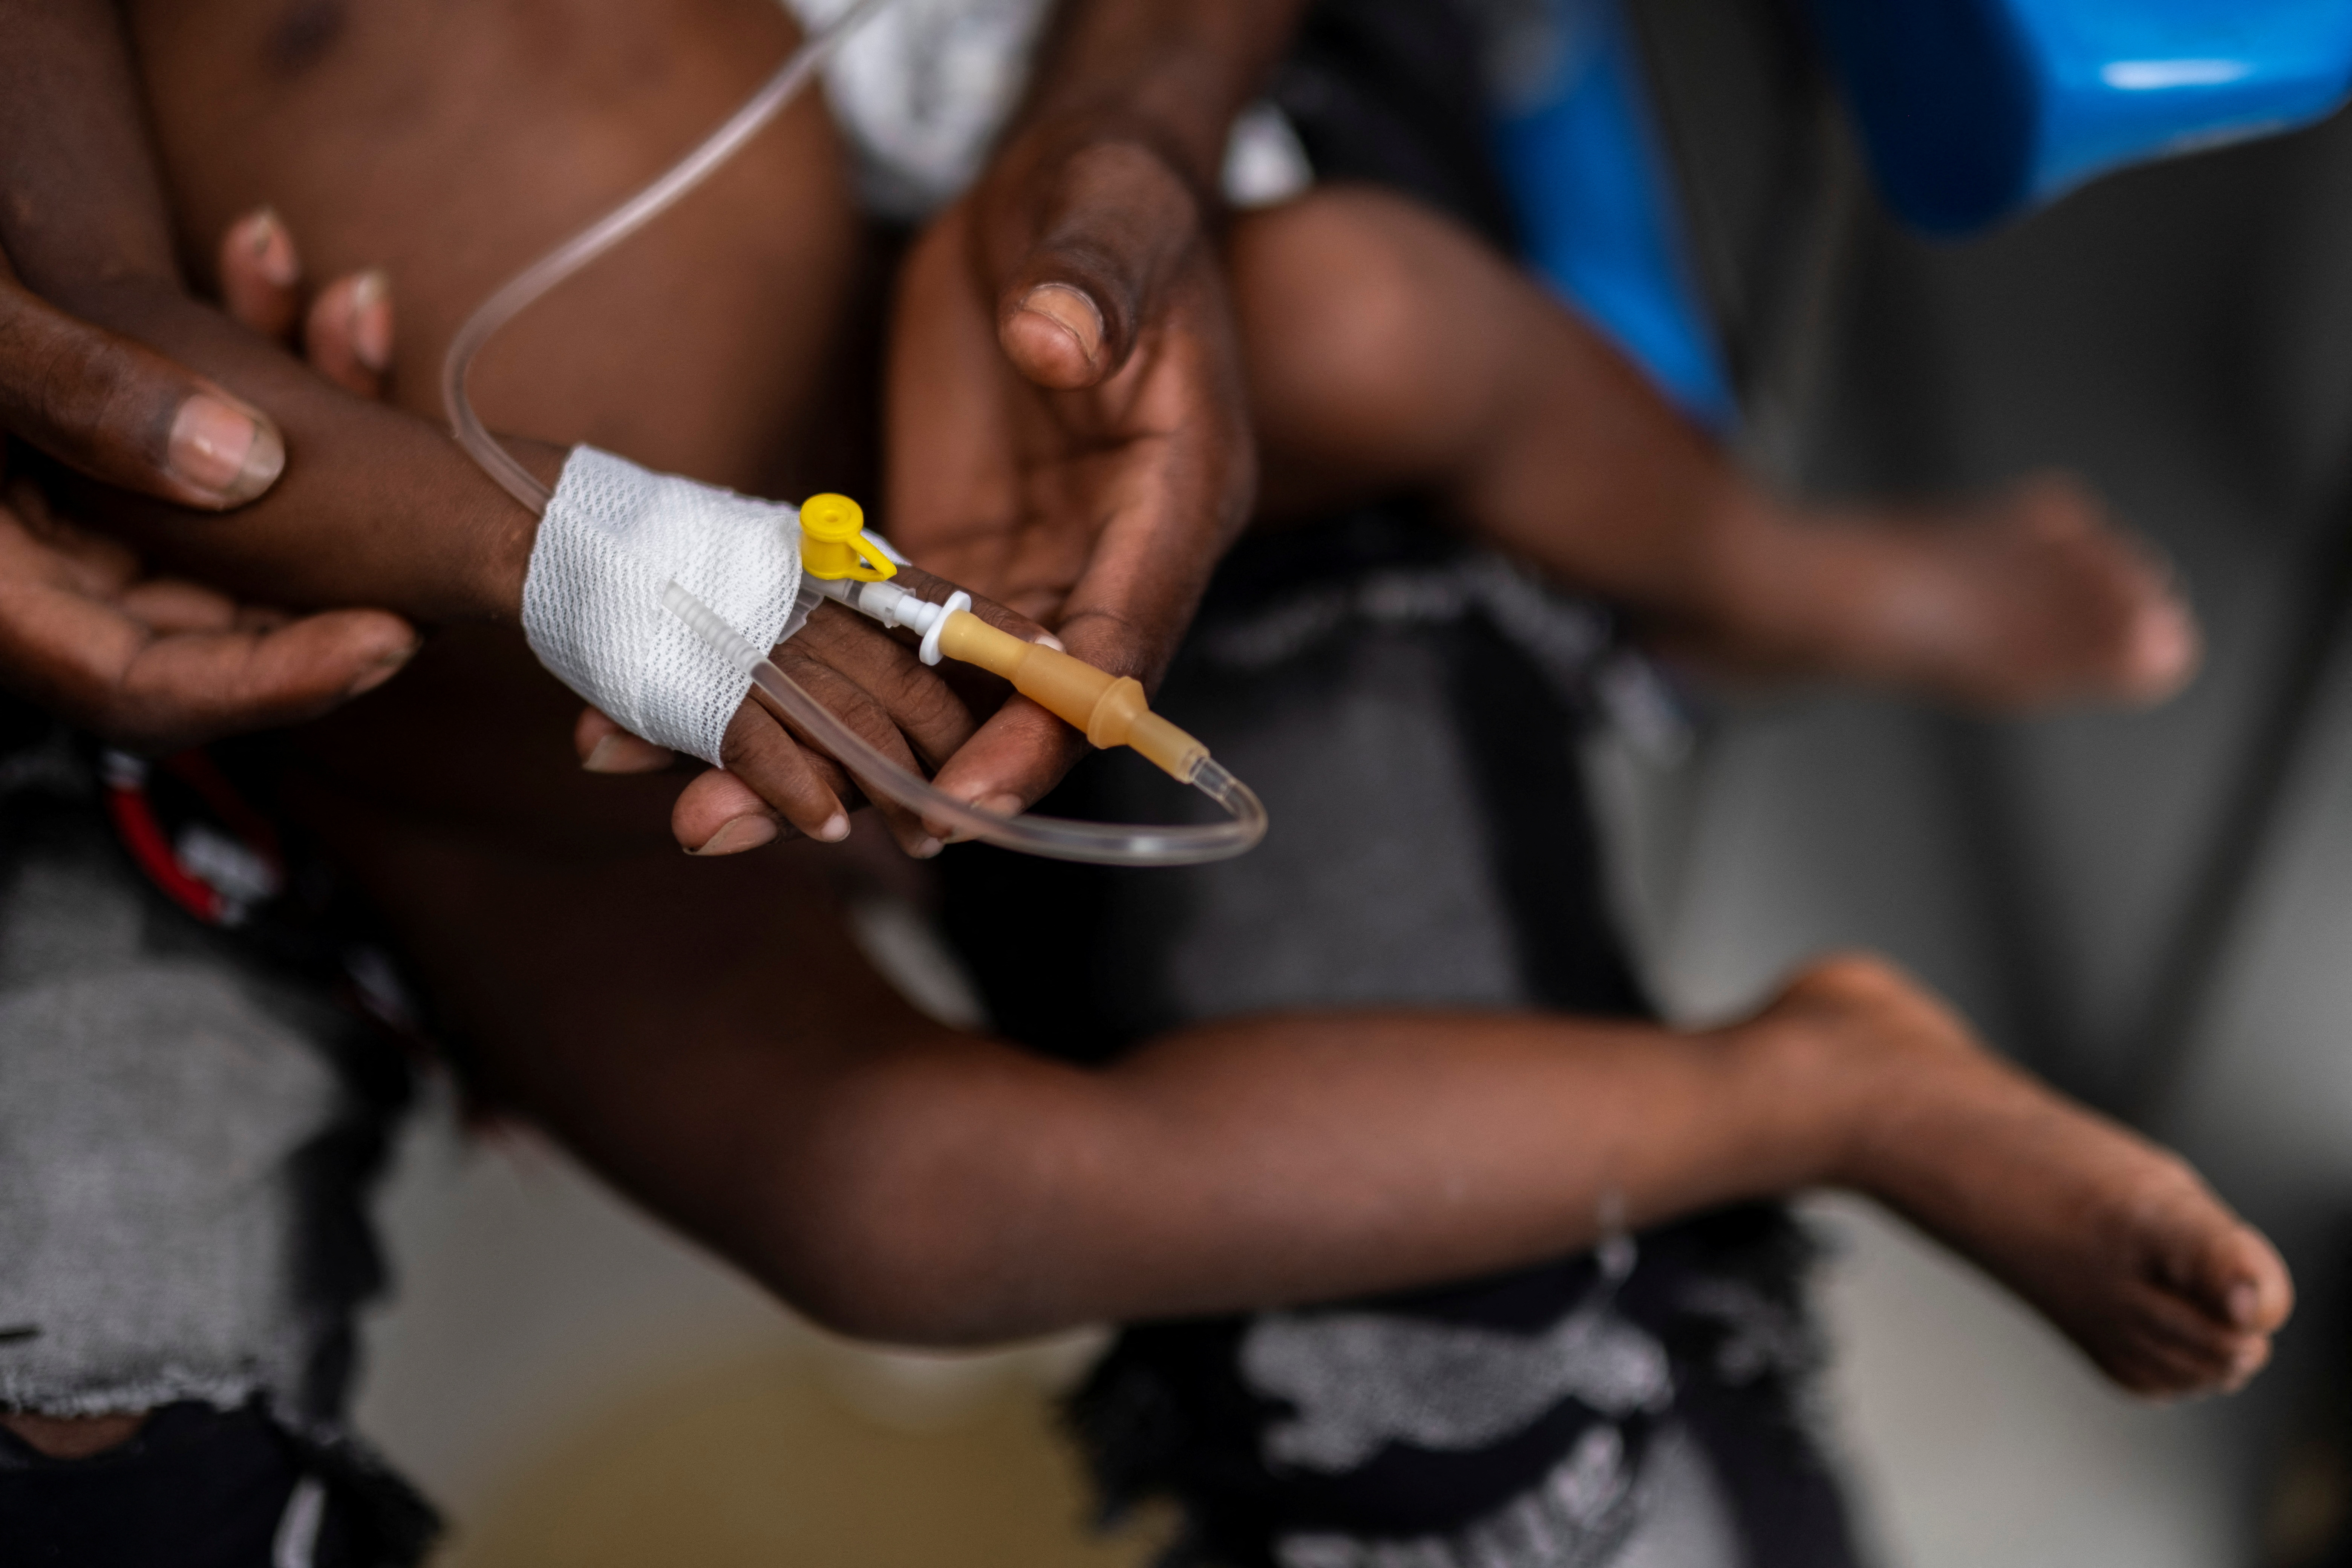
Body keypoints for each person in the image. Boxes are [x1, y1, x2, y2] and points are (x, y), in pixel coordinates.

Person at [0, 2, 2285, 1566]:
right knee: (897, 1213)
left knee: (1373, 313)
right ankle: (1822, 1093)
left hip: (882, 427)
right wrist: (622, 584)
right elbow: (124, 361)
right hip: (467, 755)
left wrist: (1110, 148)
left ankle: (1774, 572)